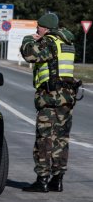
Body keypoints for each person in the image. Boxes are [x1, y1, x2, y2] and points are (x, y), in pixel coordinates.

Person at [20, 13, 81, 192]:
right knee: (61, 139)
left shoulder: (49, 42)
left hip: (50, 96)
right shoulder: (67, 43)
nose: (36, 29)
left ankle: (42, 180)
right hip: (67, 97)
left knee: (44, 138)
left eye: (38, 26)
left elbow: (31, 56)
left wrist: (27, 40)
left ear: (45, 28)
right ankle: (58, 179)